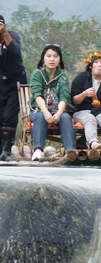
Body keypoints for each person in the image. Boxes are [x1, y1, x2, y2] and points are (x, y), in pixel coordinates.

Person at [29, 44, 76, 160]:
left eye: (55, 56)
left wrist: (59, 113)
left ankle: (71, 151)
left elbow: (64, 97)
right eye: (49, 56)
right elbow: (37, 95)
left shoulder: (63, 77)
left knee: (65, 117)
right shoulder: (37, 74)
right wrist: (45, 112)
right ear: (43, 58)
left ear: (59, 59)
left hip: (56, 110)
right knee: (40, 116)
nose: (52, 59)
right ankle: (38, 150)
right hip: (39, 110)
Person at [71, 51, 101, 150]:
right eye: (96, 62)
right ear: (90, 66)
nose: (99, 65)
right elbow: (74, 101)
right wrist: (84, 94)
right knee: (90, 119)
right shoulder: (81, 78)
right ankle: (93, 143)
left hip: (99, 111)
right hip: (81, 111)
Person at [0, 14, 27, 160]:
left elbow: (15, 52)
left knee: (9, 117)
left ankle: (7, 150)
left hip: (15, 80)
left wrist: (4, 34)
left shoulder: (12, 36)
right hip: (1, 81)